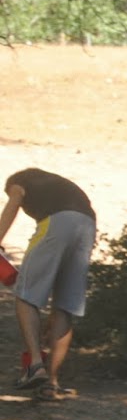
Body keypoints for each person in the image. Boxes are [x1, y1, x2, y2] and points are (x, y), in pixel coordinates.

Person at [1, 169, 95, 399]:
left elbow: (11, 207)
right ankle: (51, 383)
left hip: (56, 222)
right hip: (87, 225)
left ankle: (35, 365)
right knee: (64, 306)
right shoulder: (57, 184)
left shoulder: (17, 182)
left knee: (26, 295)